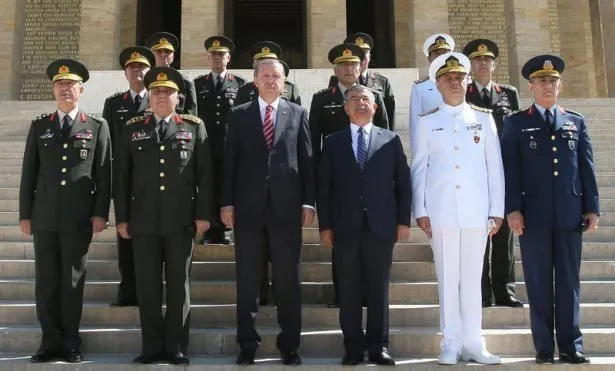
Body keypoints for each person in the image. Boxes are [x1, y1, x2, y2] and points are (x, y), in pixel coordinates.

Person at [501, 55, 600, 364]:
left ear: (560, 86)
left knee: (569, 282)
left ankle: (572, 346)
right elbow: (509, 170)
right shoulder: (517, 122)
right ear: (530, 86)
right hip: (533, 217)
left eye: (552, 81)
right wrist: (512, 208)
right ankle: (544, 347)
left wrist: (592, 208)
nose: (548, 85)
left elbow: (586, 168)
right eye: (541, 81)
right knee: (539, 282)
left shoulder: (576, 121)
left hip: (570, 215)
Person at [114, 67, 213, 366]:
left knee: (178, 285)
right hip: (143, 221)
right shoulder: (133, 128)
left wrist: (203, 216)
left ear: (178, 97)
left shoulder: (194, 127)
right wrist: (122, 218)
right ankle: (151, 347)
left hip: (180, 220)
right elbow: (122, 178)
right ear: (149, 97)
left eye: (167, 91)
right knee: (147, 285)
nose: (160, 96)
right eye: (155, 91)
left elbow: (205, 176)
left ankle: (176, 346)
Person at [411, 52, 504, 365]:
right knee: (447, 277)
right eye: (448, 78)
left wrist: (497, 209)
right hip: (441, 211)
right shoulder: (428, 122)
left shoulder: (483, 118)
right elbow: (420, 168)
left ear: (467, 82)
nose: (455, 83)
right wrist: (420, 208)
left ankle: (474, 342)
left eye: (459, 78)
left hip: (476, 211)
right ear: (437, 84)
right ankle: (450, 342)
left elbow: (495, 168)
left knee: (473, 277)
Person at [221, 58, 315, 365]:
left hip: (286, 209)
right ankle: (247, 343)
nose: (271, 80)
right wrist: (226, 203)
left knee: (289, 281)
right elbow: (229, 162)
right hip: (248, 210)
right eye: (266, 75)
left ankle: (290, 345)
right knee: (248, 280)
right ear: (255, 80)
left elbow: (306, 160)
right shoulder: (239, 115)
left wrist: (308, 202)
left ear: (285, 81)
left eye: (276, 76)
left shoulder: (298, 113)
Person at [19, 59, 111, 363]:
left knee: (72, 281)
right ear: (53, 89)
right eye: (60, 85)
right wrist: (25, 214)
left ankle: (71, 341)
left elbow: (103, 174)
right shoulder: (40, 126)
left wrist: (100, 213)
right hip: (44, 216)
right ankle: (49, 342)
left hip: (78, 217)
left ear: (81, 89)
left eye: (70, 85)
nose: (65, 89)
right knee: (46, 281)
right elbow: (29, 173)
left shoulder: (96, 126)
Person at [318, 85, 410, 366]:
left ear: (376, 107)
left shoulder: (390, 139)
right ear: (345, 108)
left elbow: (403, 184)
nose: (360, 103)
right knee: (348, 289)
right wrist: (325, 226)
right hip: (345, 226)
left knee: (378, 288)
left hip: (381, 226)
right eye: (354, 99)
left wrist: (403, 221)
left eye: (366, 100)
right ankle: (353, 347)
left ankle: (379, 346)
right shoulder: (332, 142)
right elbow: (325, 188)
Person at [310, 43, 389, 308]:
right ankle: (342, 294)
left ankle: (368, 294)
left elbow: (385, 135)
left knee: (371, 246)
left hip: (371, 179)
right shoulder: (322, 98)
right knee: (341, 245)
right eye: (342, 65)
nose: (348, 69)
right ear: (335, 69)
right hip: (339, 180)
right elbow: (314, 139)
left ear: (361, 66)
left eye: (352, 64)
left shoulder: (373, 95)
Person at [462, 39, 522, 308]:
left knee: (504, 236)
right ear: (470, 66)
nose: (483, 64)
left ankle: (505, 290)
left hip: (504, 170)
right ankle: (481, 293)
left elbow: (517, 132)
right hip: (475, 172)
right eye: (477, 60)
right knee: (478, 233)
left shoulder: (508, 93)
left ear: (494, 64)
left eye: (487, 60)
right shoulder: (463, 93)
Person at [103, 46, 155, 307]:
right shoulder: (114, 104)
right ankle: (128, 291)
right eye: (133, 68)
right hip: (124, 180)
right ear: (125, 73)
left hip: (152, 180)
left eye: (142, 68)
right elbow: (105, 143)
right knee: (125, 237)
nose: (138, 72)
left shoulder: (157, 99)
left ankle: (151, 290)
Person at [194, 36, 245, 244]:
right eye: (213, 55)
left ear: (229, 58)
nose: (217, 58)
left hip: (229, 146)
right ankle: (209, 229)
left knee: (227, 186)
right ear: (208, 58)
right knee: (207, 186)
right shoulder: (198, 84)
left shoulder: (240, 84)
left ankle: (225, 229)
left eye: (221, 54)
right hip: (206, 145)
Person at [327, 33, 396, 130]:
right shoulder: (338, 80)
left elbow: (388, 116)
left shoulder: (382, 82)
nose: (362, 56)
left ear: (370, 55)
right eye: (359, 53)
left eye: (364, 52)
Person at [409, 33, 454, 149]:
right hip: (434, 145)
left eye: (445, 52)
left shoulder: (464, 83)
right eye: (436, 53)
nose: (440, 56)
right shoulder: (420, 87)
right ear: (429, 58)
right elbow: (416, 124)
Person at [144, 31, 198, 115]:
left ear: (173, 56)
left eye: (167, 51)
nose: (163, 54)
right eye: (159, 51)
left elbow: (191, 114)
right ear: (151, 54)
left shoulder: (185, 81)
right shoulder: (144, 80)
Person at [234, 41, 301, 105]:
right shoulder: (244, 90)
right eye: (261, 61)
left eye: (269, 61)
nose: (265, 65)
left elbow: (297, 114)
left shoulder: (290, 88)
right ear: (253, 64)